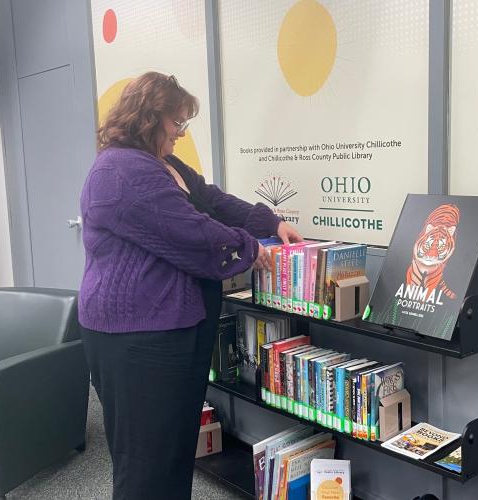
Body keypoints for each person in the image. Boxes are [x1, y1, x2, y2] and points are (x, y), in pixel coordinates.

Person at [78, 71, 302, 500]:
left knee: (175, 449)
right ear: (149, 116)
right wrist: (250, 247)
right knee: (145, 461)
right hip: (136, 338)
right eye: (176, 123)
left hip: (173, 329)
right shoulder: (121, 171)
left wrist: (271, 221)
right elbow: (190, 232)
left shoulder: (164, 164)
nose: (181, 133)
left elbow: (212, 200)